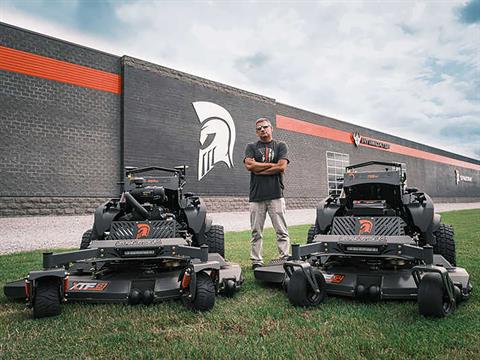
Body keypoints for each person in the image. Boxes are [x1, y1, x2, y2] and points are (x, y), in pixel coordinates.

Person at [244, 117, 290, 269]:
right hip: (256, 197)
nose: (262, 130)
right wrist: (272, 165)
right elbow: (249, 165)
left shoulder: (280, 145)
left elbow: (282, 167)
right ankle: (257, 261)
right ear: (256, 132)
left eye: (265, 127)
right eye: (259, 128)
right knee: (256, 232)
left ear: (271, 128)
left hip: (276, 195)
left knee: (281, 231)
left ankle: (285, 257)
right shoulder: (251, 146)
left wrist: (260, 169)